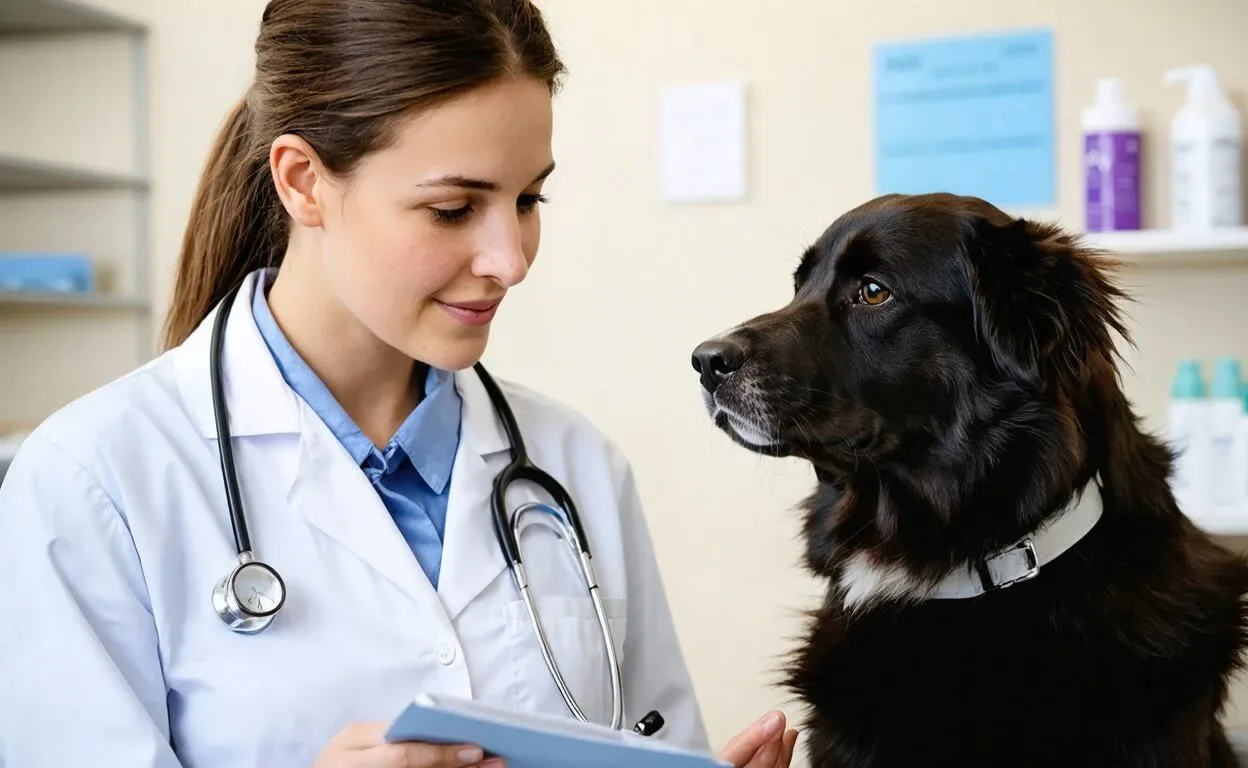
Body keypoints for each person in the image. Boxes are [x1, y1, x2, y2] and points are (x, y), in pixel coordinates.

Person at [0, 1, 799, 766]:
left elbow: (654, 742)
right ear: (303, 182)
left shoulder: (574, 467)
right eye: (454, 208)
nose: (511, 260)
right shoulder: (94, 479)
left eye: (527, 199)